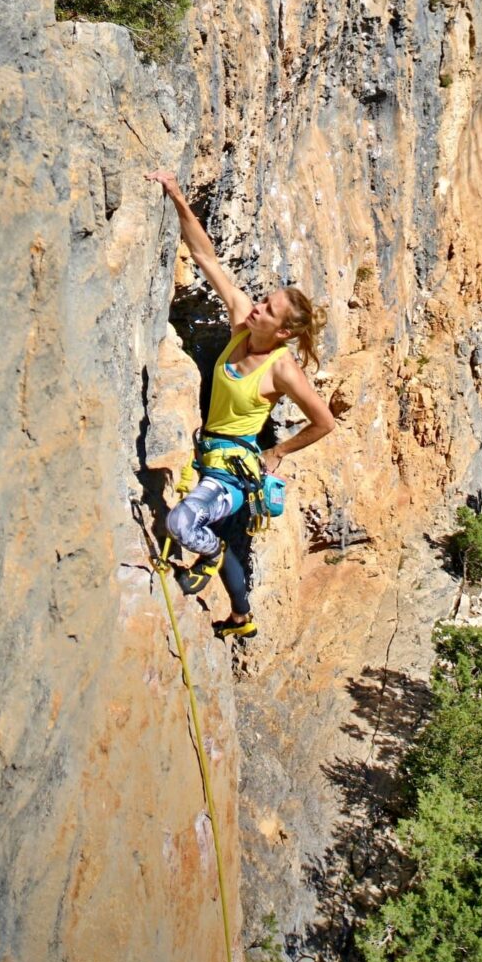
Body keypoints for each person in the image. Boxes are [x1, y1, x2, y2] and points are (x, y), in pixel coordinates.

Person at [149, 171, 337, 638]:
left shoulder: (281, 369)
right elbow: (204, 256)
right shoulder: (240, 326)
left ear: (285, 332)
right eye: (263, 301)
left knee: (183, 521)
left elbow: (324, 422)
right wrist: (176, 195)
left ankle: (208, 558)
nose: (257, 308)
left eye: (268, 310)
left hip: (233, 469)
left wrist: (277, 453)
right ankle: (241, 618)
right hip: (208, 451)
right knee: (224, 534)